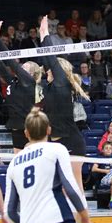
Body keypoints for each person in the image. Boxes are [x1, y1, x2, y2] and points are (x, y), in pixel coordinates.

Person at [39, 15, 89, 193]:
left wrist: (45, 34)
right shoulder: (52, 85)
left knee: (74, 185)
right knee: (62, 187)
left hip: (72, 141)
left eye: (50, 69)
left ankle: (81, 219)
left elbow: (50, 57)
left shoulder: (61, 84)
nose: (47, 70)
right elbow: (46, 60)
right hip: (57, 143)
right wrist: (41, 36)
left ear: (58, 70)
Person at [0, 21, 42, 153]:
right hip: (16, 127)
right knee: (18, 160)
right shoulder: (13, 81)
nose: (21, 66)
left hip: (29, 128)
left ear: (31, 73)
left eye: (25, 67)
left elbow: (11, 60)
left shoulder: (29, 81)